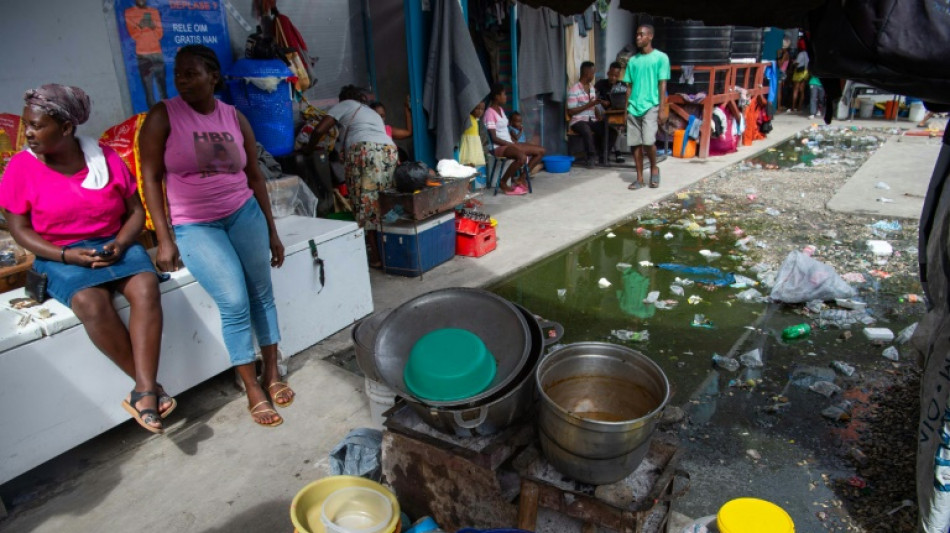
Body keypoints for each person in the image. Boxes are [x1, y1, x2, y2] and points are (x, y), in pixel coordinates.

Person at [0, 84, 172, 434]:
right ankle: (148, 390)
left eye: (37, 126)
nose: (28, 133)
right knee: (91, 303)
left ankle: (143, 391)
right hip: (58, 253)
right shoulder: (21, 167)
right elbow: (18, 228)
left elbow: (135, 211)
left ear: (66, 128)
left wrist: (121, 244)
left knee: (145, 287)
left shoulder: (104, 158)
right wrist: (65, 254)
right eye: (27, 125)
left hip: (113, 244)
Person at [138, 45, 292, 428]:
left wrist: (272, 231)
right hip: (195, 225)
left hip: (244, 214)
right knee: (235, 301)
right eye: (178, 74)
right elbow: (151, 178)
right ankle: (251, 387)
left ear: (214, 76)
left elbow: (254, 176)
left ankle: (272, 373)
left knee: (261, 294)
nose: (182, 80)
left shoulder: (234, 117)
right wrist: (164, 238)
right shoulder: (163, 116)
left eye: (191, 73)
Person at [308, 85, 398, 266]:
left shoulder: (345, 105)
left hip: (366, 152)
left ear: (344, 98)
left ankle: (376, 258)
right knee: (384, 202)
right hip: (388, 152)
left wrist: (308, 148)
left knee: (364, 204)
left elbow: (319, 130)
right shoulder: (370, 113)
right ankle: (392, 252)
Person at [623, 24, 670, 190]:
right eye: (637, 34)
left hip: (651, 105)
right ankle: (640, 178)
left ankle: (654, 168)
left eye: (641, 35)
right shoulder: (633, 61)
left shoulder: (661, 58)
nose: (638, 37)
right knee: (635, 144)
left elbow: (662, 84)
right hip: (633, 106)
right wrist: (625, 110)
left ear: (650, 36)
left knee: (649, 141)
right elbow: (628, 87)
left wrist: (662, 109)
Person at [483, 83, 546, 195]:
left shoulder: (501, 110)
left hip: (509, 144)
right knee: (522, 157)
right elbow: (494, 138)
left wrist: (514, 141)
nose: (505, 97)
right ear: (497, 96)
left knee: (541, 151)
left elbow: (505, 130)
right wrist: (511, 144)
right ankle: (502, 182)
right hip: (498, 147)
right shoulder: (489, 113)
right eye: (503, 94)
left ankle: (521, 178)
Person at [568, 61, 617, 168]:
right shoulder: (574, 90)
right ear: (587, 73)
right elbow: (571, 111)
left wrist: (598, 112)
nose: (593, 75)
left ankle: (603, 156)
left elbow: (594, 106)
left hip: (591, 119)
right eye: (593, 73)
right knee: (586, 130)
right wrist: (589, 105)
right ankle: (591, 157)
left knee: (611, 131)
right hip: (578, 121)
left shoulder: (591, 88)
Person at [124, 0, 167, 108]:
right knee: (148, 89)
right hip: (143, 55)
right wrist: (140, 26)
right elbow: (134, 36)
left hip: (157, 53)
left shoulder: (154, 11)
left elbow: (159, 34)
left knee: (162, 87)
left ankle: (167, 112)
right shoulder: (129, 12)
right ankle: (153, 113)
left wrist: (152, 26)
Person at [594, 61, 628, 163]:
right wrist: (601, 102)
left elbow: (625, 101)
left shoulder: (622, 85)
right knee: (613, 126)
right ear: (608, 73)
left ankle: (612, 153)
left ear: (619, 75)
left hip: (617, 112)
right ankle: (617, 152)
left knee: (617, 125)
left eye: (616, 76)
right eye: (611, 75)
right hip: (602, 113)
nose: (613, 78)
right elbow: (592, 97)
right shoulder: (600, 84)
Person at [790, 44, 810, 114]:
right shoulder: (808, 54)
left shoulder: (801, 54)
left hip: (799, 73)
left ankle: (793, 107)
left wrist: (793, 63)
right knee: (802, 90)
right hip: (805, 72)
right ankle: (799, 107)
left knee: (795, 90)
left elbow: (797, 63)